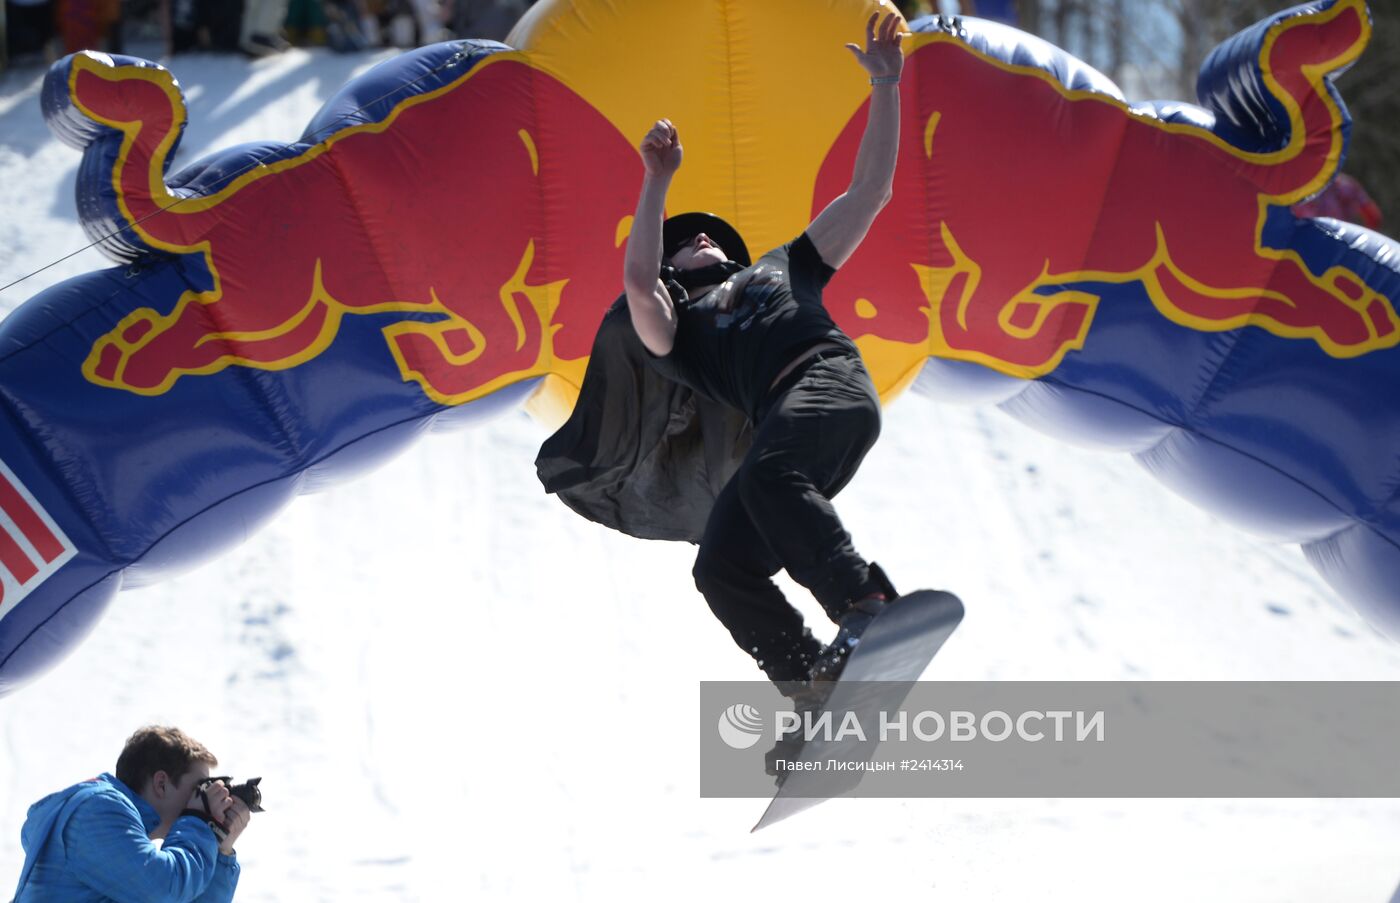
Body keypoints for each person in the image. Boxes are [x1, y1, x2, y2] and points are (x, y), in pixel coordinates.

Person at [538, 9, 907, 701]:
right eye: (689, 240)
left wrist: (885, 87)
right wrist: (657, 180)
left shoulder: (785, 265)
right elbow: (638, 284)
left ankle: (866, 608)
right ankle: (809, 686)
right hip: (791, 423)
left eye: (712, 237)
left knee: (768, 475)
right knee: (720, 565)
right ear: (678, 268)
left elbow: (870, 193)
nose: (704, 240)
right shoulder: (680, 338)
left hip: (828, 383)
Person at [12, 725, 250, 902]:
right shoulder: (98, 809)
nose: (204, 797)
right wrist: (199, 821)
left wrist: (220, 852)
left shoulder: (121, 840)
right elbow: (162, 890)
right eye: (201, 787)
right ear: (161, 784)